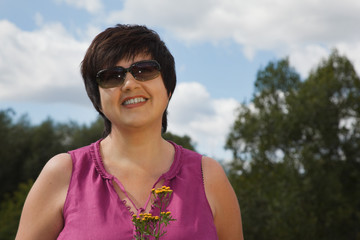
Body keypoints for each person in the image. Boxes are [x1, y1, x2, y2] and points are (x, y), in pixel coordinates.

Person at [16, 24, 243, 240]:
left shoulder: (208, 176)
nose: (129, 84)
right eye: (111, 76)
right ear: (97, 98)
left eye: (145, 70)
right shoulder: (63, 173)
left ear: (169, 88)